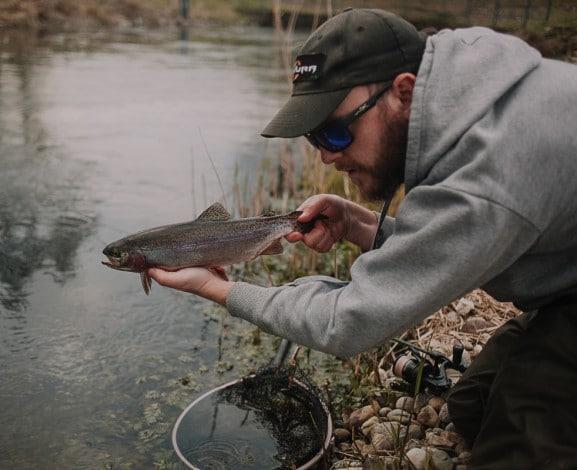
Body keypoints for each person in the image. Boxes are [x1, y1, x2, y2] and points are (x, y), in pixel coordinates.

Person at [149, 8, 577, 469]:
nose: (328, 156)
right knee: (472, 406)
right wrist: (361, 226)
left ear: (403, 91)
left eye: (335, 131)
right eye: (315, 138)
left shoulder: (487, 171)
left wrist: (216, 287)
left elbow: (349, 321)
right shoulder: (465, 87)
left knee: (516, 449)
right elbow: (451, 243)